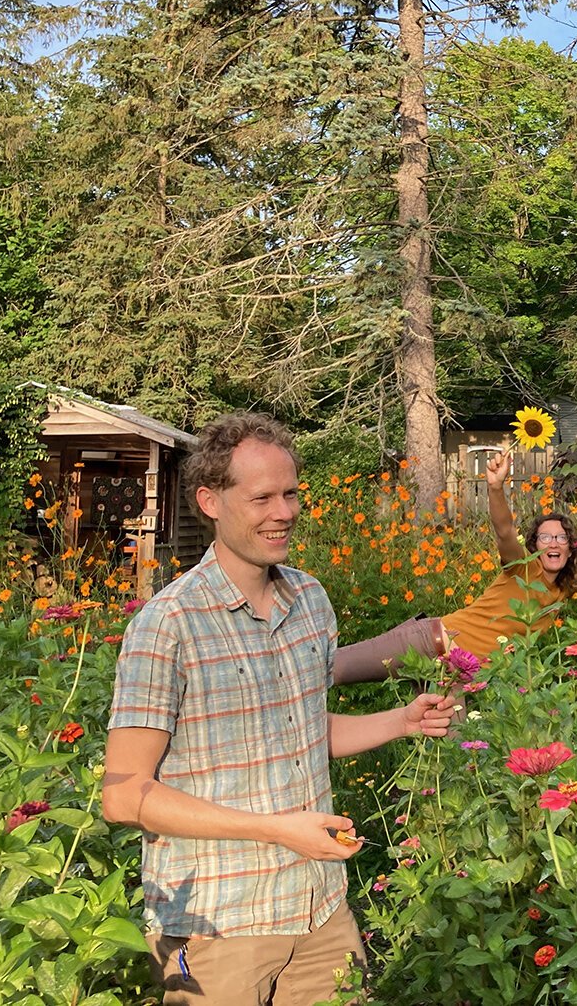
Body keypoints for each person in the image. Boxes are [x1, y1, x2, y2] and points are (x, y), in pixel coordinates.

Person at [102, 413, 461, 1005]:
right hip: (217, 924)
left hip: (321, 910)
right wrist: (276, 832)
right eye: (262, 497)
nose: (285, 511)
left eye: (291, 493)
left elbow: (300, 732)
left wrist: (402, 721)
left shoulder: (310, 600)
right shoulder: (168, 625)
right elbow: (123, 794)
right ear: (210, 501)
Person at [332, 446, 577, 685]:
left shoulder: (565, 586)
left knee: (453, 754)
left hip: (457, 674)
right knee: (334, 669)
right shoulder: (521, 569)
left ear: (570, 548)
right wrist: (495, 487)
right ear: (534, 546)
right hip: (427, 642)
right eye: (545, 538)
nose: (553, 543)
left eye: (561, 538)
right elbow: (505, 529)